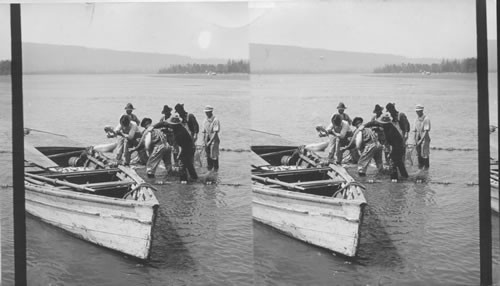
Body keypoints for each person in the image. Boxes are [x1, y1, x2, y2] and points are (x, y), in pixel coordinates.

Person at [365, 113, 408, 180]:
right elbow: (374, 122)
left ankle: (394, 180)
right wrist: (364, 125)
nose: (381, 124)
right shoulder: (384, 125)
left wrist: (391, 153)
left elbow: (394, 145)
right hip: (396, 145)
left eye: (382, 123)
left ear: (386, 123)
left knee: (392, 163)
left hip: (398, 147)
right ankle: (404, 177)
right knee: (399, 163)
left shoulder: (391, 131)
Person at [158, 114, 198, 182]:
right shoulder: (177, 127)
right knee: (189, 164)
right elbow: (164, 123)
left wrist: (179, 155)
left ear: (175, 125)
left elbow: (181, 146)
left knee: (181, 164)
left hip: (187, 148)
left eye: (171, 124)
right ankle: (194, 178)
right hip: (189, 147)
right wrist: (153, 127)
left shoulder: (180, 133)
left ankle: (183, 180)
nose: (170, 125)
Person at [202, 105, 220, 171]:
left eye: (208, 112)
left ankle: (216, 169)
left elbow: (215, 132)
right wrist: (204, 141)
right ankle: (209, 169)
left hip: (214, 139)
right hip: (207, 138)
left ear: (211, 112)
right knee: (208, 155)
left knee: (214, 156)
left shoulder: (215, 120)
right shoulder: (205, 120)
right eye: (206, 112)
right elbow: (204, 132)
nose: (206, 113)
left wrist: (210, 141)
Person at [414, 104, 431, 170]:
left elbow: (426, 131)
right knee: (418, 154)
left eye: (419, 111)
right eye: (417, 111)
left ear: (422, 111)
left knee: (425, 154)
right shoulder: (416, 119)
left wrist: (421, 140)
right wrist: (415, 140)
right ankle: (420, 167)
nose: (418, 112)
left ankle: (426, 168)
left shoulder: (426, 119)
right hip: (418, 137)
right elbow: (415, 131)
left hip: (425, 138)